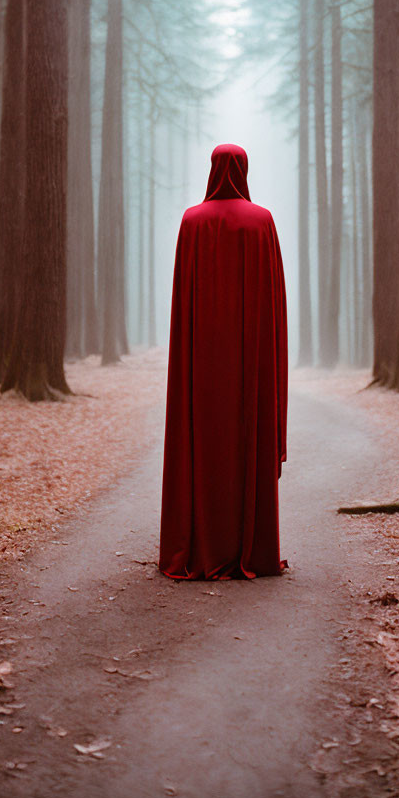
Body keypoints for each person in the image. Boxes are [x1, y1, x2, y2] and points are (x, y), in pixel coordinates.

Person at [159, 143, 288, 580]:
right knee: (246, 441)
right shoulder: (262, 222)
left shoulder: (191, 222)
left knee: (203, 444)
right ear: (244, 170)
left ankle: (201, 546)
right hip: (251, 365)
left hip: (201, 369)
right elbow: (274, 310)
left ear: (213, 170)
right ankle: (251, 547)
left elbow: (183, 308)